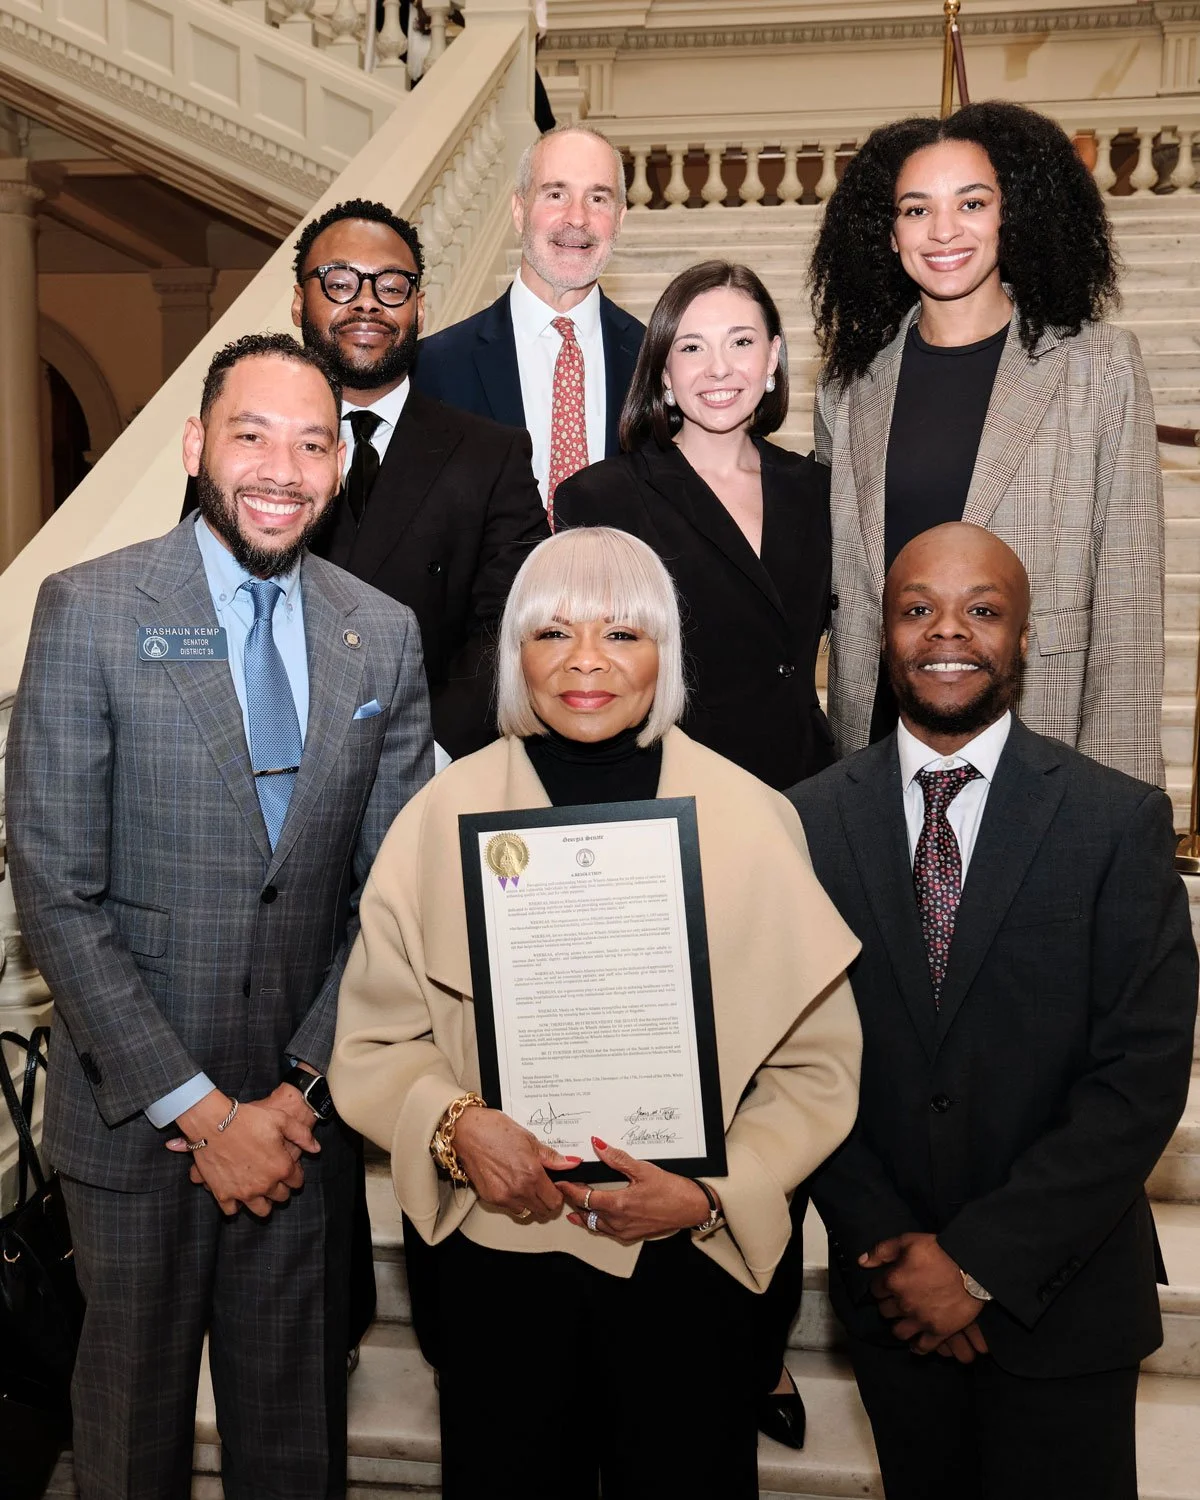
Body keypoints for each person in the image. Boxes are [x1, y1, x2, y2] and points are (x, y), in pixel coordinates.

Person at [329, 526, 863, 1499]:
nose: (585, 661)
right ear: (513, 655)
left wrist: (712, 1192)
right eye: (551, 633)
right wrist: (457, 1126)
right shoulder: (435, 822)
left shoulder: (752, 819)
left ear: (664, 654)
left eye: (622, 632)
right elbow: (373, 1045)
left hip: (685, 1264)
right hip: (500, 1257)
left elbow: (816, 1069)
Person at [7, 332, 433, 1500]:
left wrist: (294, 1097)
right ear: (198, 446)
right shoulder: (91, 608)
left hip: (301, 1127)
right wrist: (203, 1113)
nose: (282, 469)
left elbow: (386, 898)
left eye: (313, 442)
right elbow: (53, 883)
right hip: (135, 1121)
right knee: (129, 1439)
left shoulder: (380, 632)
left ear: (339, 466)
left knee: (293, 1442)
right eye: (252, 435)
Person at [790, 522, 1197, 1500]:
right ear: (878, 636)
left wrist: (977, 1264)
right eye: (917, 608)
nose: (948, 632)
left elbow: (1138, 1079)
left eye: (983, 610)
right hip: (890, 1294)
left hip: (1063, 1301)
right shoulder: (802, 821)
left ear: (1023, 637)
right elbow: (795, 1058)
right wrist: (897, 1252)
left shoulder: (1117, 820)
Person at [811, 100, 1164, 786]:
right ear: (888, 234)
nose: (943, 230)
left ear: (1012, 215)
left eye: (972, 203)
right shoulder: (851, 386)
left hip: (1042, 733)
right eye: (916, 209)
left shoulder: (1100, 367)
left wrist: (1119, 807)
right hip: (884, 737)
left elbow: (1128, 605)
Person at [555, 259, 835, 792]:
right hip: (671, 797)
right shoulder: (601, 498)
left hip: (804, 790)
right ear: (663, 371)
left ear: (773, 355)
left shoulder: (817, 490)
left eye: (741, 342)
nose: (719, 369)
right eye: (691, 347)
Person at [413, 124, 645, 518]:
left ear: (619, 219)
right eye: (556, 194)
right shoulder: (434, 366)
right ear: (519, 211)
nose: (577, 218)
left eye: (598, 198)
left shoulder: (654, 359)